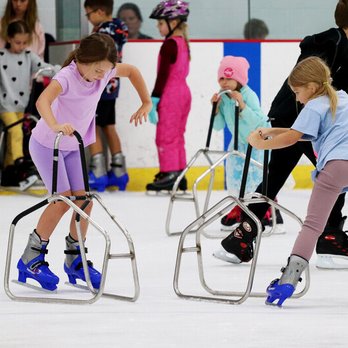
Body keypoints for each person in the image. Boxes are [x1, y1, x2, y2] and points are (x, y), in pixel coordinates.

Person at [214, 0, 348, 267]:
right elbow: (314, 78)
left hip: (299, 117)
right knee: (333, 171)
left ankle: (240, 238)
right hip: (300, 118)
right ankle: (330, 238)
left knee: (275, 178)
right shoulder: (330, 41)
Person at [16, 33, 151, 291]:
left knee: (84, 201)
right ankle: (31, 256)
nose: (103, 75)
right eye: (98, 69)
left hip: (73, 146)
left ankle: (75, 259)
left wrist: (146, 101)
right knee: (62, 201)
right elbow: (42, 100)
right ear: (82, 60)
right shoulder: (67, 76)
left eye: (107, 70)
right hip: (48, 145)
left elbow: (132, 71)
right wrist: (54, 124)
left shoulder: (104, 71)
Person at [248, 56, 348, 306]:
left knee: (313, 225)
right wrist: (272, 131)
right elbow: (301, 132)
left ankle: (287, 282)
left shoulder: (314, 106)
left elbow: (292, 138)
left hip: (336, 167)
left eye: (297, 91)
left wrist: (261, 142)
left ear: (312, 88)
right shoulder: (342, 98)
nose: (296, 97)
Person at [211, 55, 270, 227]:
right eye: (221, 78)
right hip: (237, 145)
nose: (224, 82)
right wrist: (215, 110)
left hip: (256, 144)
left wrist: (242, 105)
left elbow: (259, 123)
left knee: (255, 178)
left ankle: (263, 209)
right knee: (236, 177)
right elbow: (218, 125)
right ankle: (239, 206)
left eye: (229, 78)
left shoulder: (248, 95)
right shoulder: (223, 98)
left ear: (240, 79)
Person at [0, 20, 58, 189]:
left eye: (25, 43)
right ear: (9, 39)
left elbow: (43, 68)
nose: (22, 46)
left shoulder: (28, 56)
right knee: (16, 132)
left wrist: (60, 71)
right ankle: (20, 165)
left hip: (21, 105)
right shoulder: (1, 56)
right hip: (5, 104)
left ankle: (9, 173)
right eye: (18, 42)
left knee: (14, 136)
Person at [84, 0, 129, 192]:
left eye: (89, 14)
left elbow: (95, 59)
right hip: (113, 85)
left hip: (99, 85)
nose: (89, 18)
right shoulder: (119, 28)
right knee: (109, 126)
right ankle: (119, 173)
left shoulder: (102, 33)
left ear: (100, 11)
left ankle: (98, 173)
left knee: (91, 125)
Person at [146, 0, 191, 191]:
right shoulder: (183, 43)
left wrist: (154, 99)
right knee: (177, 135)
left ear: (173, 23)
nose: (158, 26)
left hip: (171, 94)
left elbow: (163, 75)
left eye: (161, 23)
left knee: (165, 136)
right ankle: (179, 173)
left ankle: (170, 173)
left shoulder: (169, 45)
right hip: (183, 93)